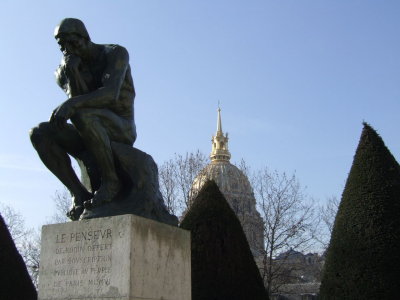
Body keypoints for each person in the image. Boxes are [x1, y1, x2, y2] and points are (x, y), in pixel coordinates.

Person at [30, 18, 136, 220]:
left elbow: (110, 95)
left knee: (82, 113)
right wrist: (72, 73)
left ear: (84, 37)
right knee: (39, 133)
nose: (68, 48)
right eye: (62, 45)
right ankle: (78, 194)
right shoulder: (63, 69)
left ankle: (111, 181)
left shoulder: (114, 54)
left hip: (120, 127)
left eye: (72, 42)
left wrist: (72, 104)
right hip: (86, 127)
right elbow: (77, 101)